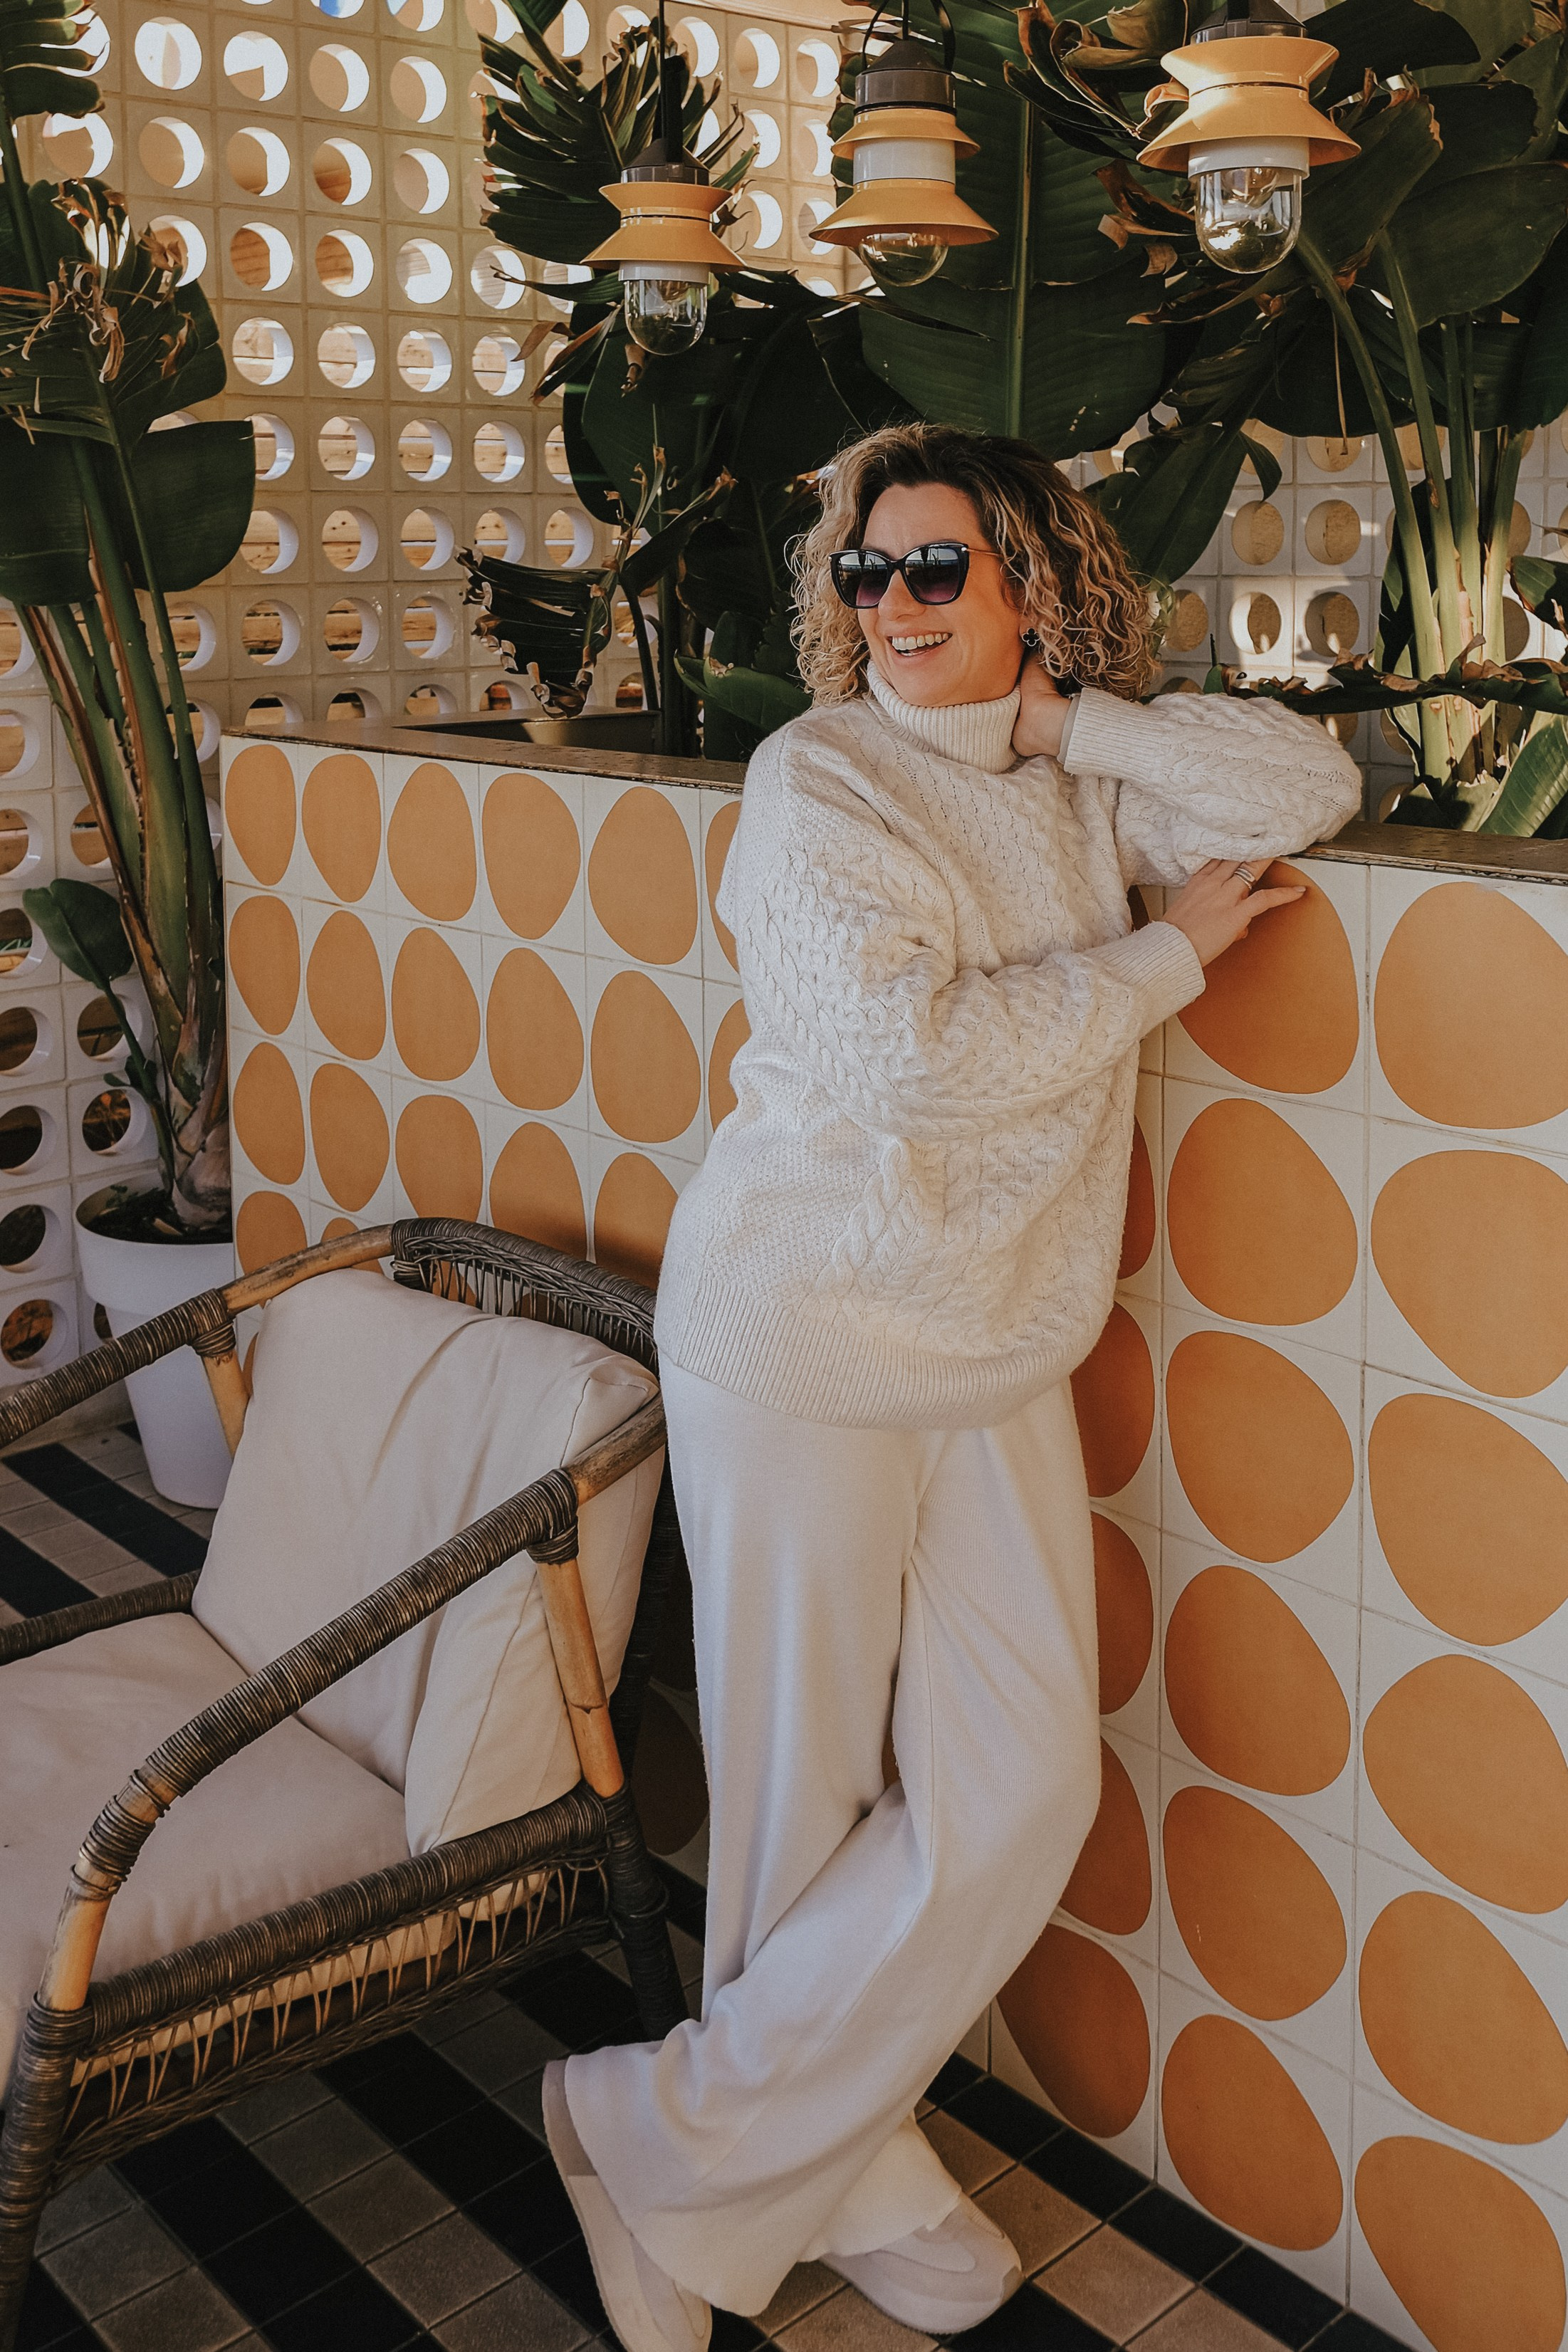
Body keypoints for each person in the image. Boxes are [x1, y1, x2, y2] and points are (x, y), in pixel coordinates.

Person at [541, 423, 1363, 2352]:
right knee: (797, 1798)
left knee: (1017, 1787)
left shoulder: (1072, 779)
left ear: (1028, 589)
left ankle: (655, 2124)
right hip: (805, 1336)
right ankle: (798, 2188)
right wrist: (1162, 964)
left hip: (993, 1344)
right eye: (864, 572)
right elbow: (916, 1063)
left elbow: (1300, 782)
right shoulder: (816, 780)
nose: (888, 606)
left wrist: (1080, 730)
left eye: (934, 571)